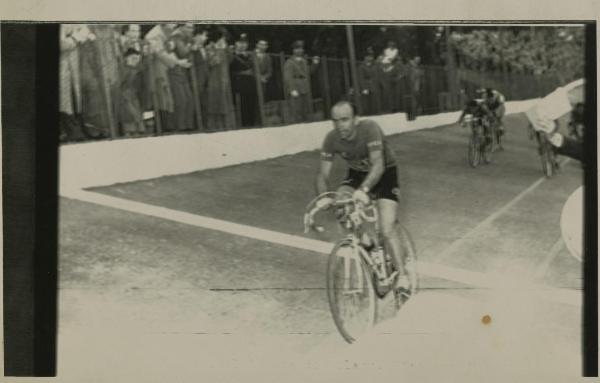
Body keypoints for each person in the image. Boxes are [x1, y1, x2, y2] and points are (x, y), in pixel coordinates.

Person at [314, 101, 417, 295]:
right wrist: (323, 197)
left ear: (356, 119)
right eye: (335, 121)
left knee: (387, 228)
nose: (340, 126)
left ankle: (402, 277)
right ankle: (366, 241)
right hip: (358, 173)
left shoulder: (370, 129)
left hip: (385, 172)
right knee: (341, 204)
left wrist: (364, 190)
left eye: (345, 120)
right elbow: (322, 174)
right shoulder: (331, 138)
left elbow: (378, 164)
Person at [205, 28, 236, 131]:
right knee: (216, 104)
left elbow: (231, 60)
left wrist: (226, 49)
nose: (224, 40)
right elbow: (213, 62)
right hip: (214, 80)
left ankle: (228, 126)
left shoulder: (224, 48)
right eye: (222, 38)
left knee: (226, 103)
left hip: (225, 80)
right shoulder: (209, 48)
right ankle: (215, 127)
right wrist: (218, 50)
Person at [283, 40, 319, 123]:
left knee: (305, 110)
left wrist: (315, 64)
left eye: (301, 48)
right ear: (293, 50)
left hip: (304, 87)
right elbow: (288, 77)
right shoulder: (289, 62)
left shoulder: (304, 61)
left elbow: (308, 72)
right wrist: (292, 89)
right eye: (297, 49)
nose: (299, 51)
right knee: (296, 111)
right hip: (296, 86)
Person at [168, 23, 196, 131]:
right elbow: (182, 52)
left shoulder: (186, 38)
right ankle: (180, 127)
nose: (191, 30)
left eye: (192, 27)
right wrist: (191, 46)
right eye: (188, 27)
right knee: (182, 101)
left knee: (189, 100)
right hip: (175, 73)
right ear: (181, 27)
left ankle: (187, 126)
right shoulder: (176, 37)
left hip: (183, 73)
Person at [230, 33, 259, 127]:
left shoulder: (250, 55)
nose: (243, 45)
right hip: (239, 84)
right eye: (240, 42)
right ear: (235, 43)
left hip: (250, 84)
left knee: (252, 106)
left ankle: (253, 125)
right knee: (242, 108)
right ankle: (244, 126)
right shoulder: (231, 55)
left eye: (245, 42)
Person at [118, 48, 145, 137]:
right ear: (126, 58)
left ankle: (138, 129)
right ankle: (130, 131)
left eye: (137, 59)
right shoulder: (123, 70)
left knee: (136, 111)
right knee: (129, 112)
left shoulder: (137, 70)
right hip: (126, 94)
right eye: (133, 58)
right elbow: (121, 83)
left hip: (134, 94)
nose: (135, 61)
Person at [191, 27, 210, 128]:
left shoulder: (204, 48)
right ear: (197, 36)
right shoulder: (192, 48)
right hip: (196, 81)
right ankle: (195, 127)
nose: (206, 38)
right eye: (204, 35)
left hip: (205, 81)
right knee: (195, 105)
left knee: (204, 105)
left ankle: (204, 126)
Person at [358, 47, 381, 115]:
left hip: (374, 86)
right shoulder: (362, 67)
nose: (370, 58)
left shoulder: (374, 66)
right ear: (365, 57)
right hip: (366, 87)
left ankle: (375, 112)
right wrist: (363, 88)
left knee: (374, 103)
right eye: (368, 56)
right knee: (366, 103)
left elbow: (376, 76)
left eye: (371, 56)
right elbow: (360, 78)